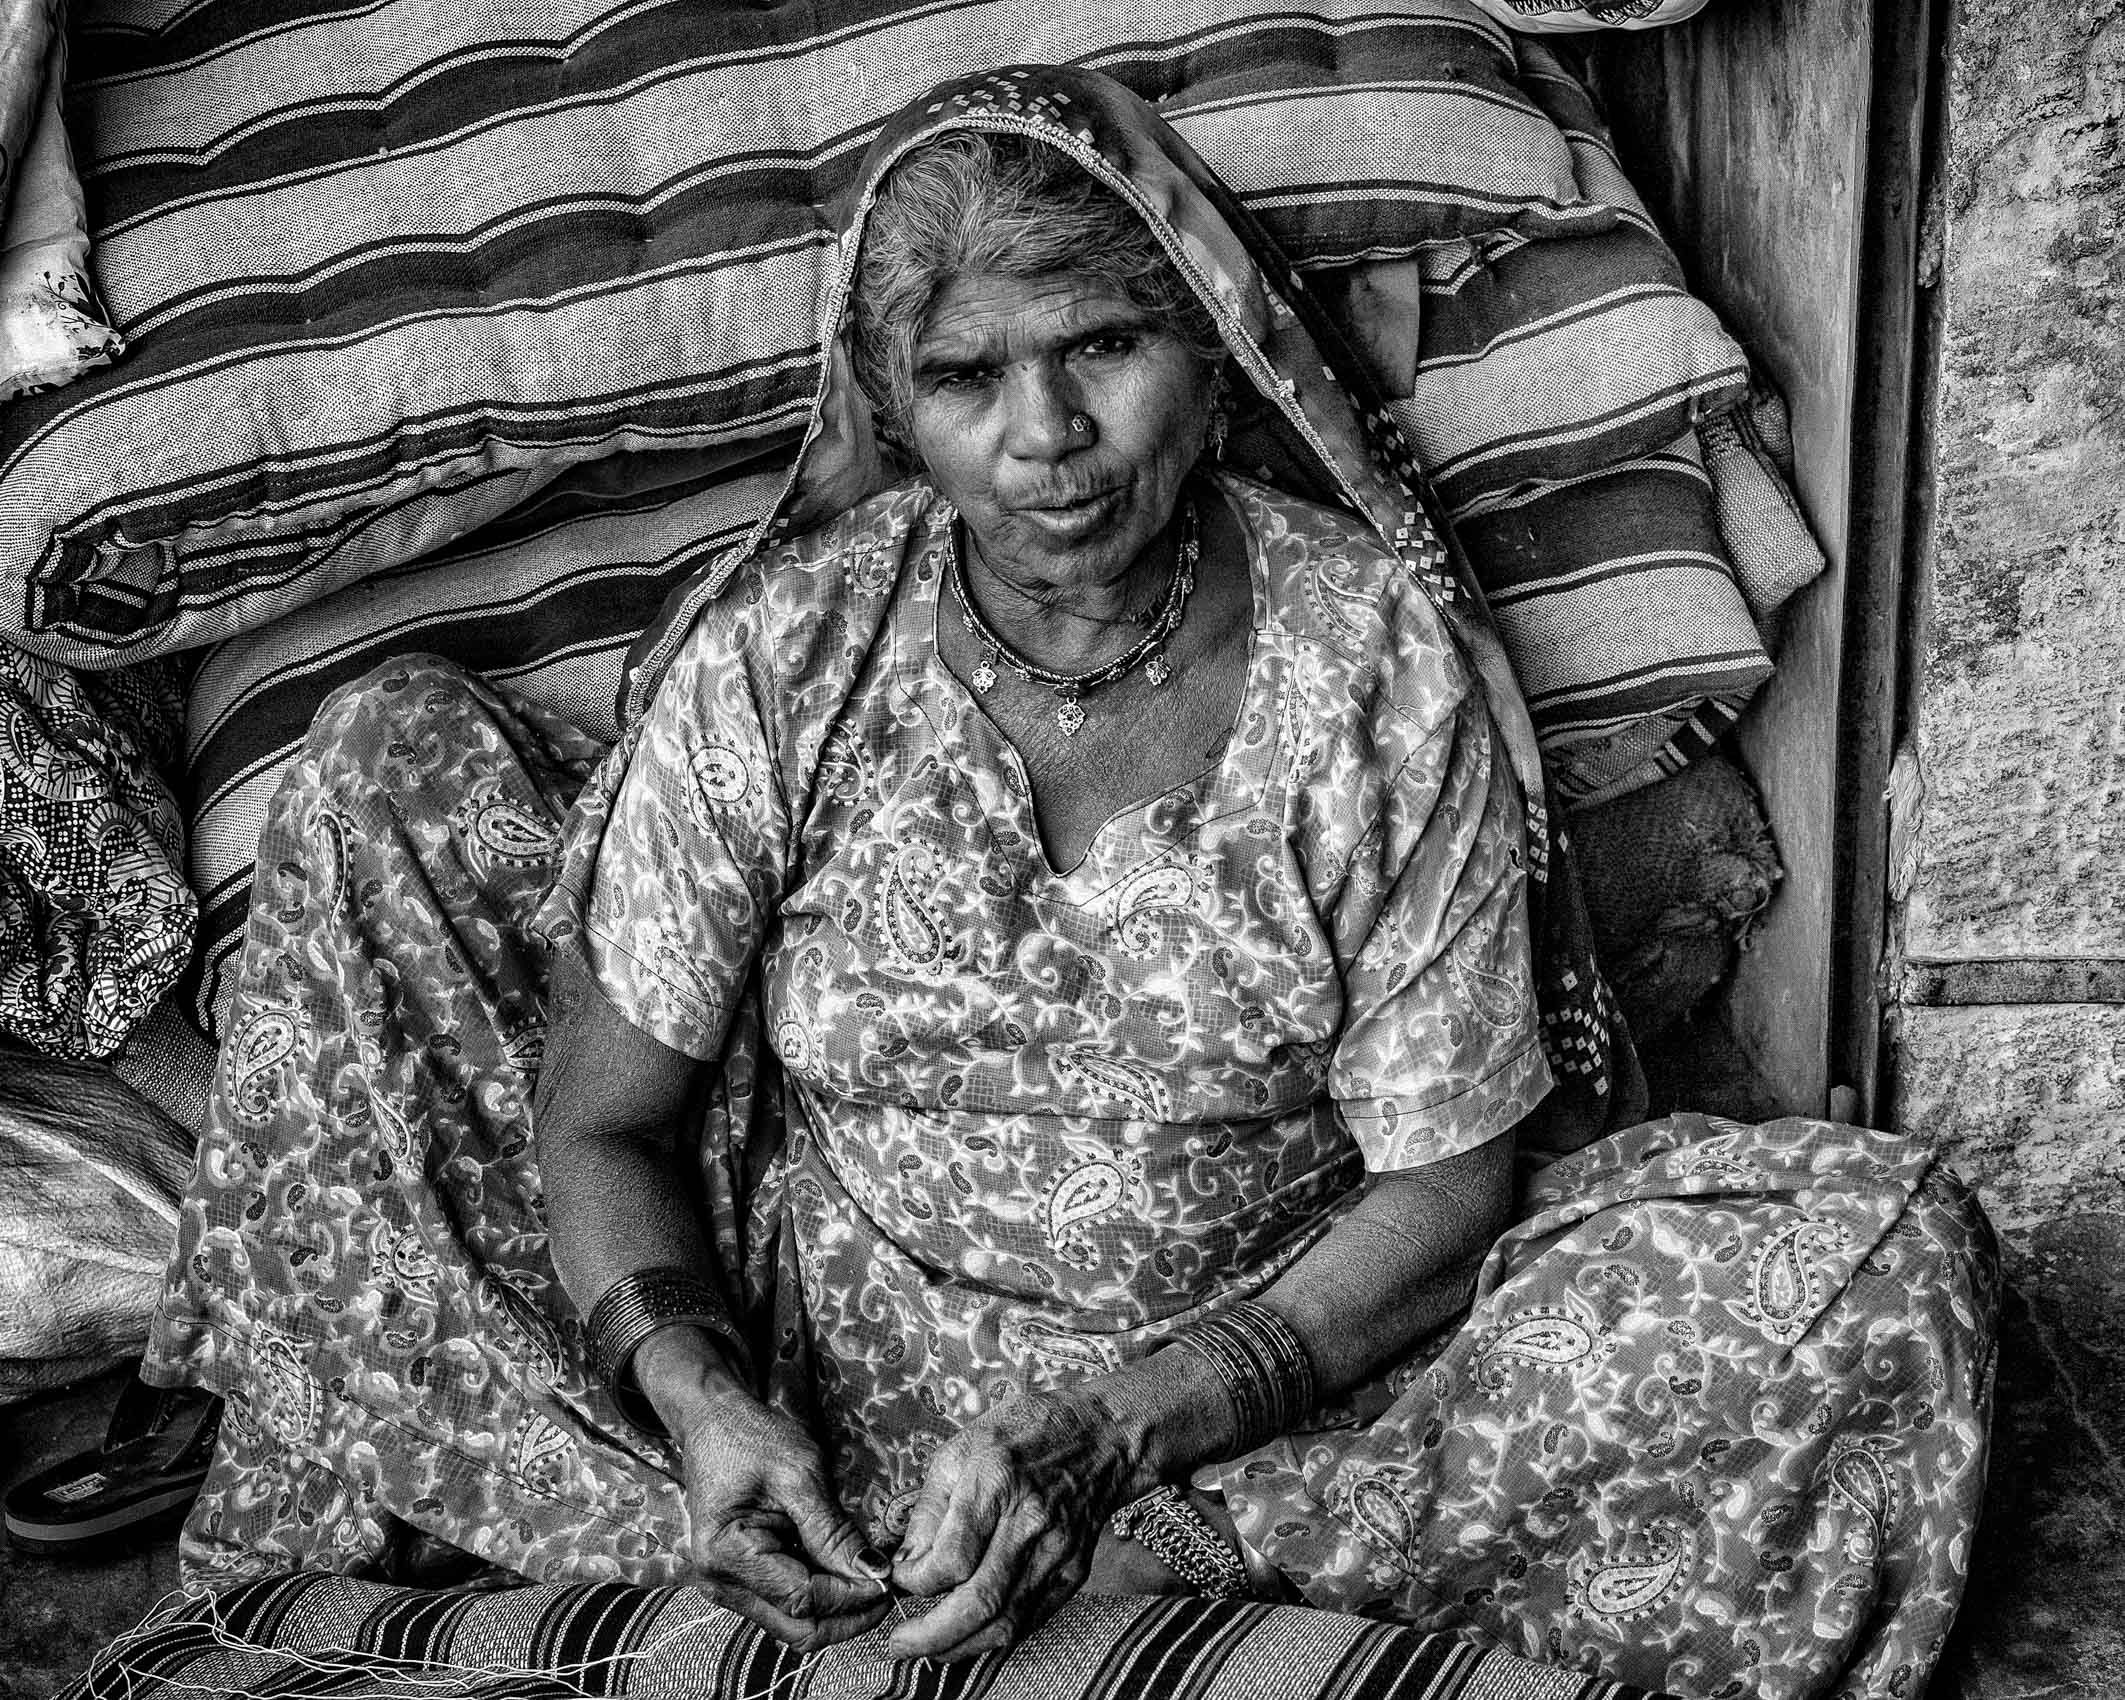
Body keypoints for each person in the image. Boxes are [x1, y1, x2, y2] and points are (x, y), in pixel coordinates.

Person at [145, 66, 1998, 1700]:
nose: (1043, 439)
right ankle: (793, 1556)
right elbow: (605, 1119)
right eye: (963, 378)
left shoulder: (1365, 662)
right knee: (381, 772)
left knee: (1879, 1268)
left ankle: (1120, 1588)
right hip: (814, 1373)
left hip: (1275, 1394)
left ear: (1212, 350)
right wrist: (702, 1403)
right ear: (890, 404)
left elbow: (1447, 1186)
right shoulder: (792, 653)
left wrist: (1120, 1438)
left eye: (1100, 345)